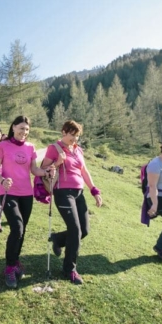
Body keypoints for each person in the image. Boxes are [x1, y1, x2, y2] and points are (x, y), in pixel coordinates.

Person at [0, 116, 55, 289]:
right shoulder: (3, 146)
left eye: (27, 129)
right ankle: (10, 267)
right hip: (8, 192)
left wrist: (46, 172)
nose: (24, 132)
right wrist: (2, 180)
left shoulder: (30, 147)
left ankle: (15, 260)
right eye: (21, 128)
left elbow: (34, 169)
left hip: (26, 194)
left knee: (22, 230)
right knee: (17, 228)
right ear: (13, 127)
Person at [40, 120, 103, 285]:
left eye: (77, 136)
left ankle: (58, 239)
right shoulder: (54, 148)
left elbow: (84, 171)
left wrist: (94, 190)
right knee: (75, 230)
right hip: (62, 193)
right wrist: (57, 163)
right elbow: (43, 170)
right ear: (63, 132)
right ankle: (70, 269)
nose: (74, 139)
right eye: (72, 135)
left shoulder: (78, 150)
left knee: (84, 230)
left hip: (79, 193)